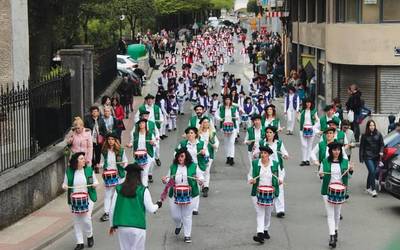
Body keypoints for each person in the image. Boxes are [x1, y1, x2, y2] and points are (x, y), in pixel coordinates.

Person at [109, 163, 162, 250]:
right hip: (138, 226)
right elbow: (151, 209)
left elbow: (112, 209)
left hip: (122, 226)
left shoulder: (118, 189)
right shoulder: (143, 190)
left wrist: (112, 225)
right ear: (139, 175)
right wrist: (158, 205)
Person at [162, 149, 204, 243]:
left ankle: (187, 235)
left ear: (186, 157)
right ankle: (178, 224)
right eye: (178, 156)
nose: (179, 158)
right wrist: (164, 180)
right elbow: (168, 179)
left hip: (190, 194)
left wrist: (200, 180)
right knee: (175, 216)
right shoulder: (173, 167)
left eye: (182, 156)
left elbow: (201, 178)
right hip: (175, 194)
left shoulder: (194, 166)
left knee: (187, 215)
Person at [318, 142, 353, 248]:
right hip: (327, 191)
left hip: (341, 191)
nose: (336, 152)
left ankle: (336, 229)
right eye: (334, 150)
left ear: (340, 151)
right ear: (331, 151)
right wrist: (321, 174)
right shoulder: (325, 162)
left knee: (337, 214)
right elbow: (320, 174)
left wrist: (351, 170)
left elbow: (349, 176)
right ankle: (332, 236)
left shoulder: (345, 162)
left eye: (338, 150)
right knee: (330, 214)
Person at [62, 152, 98, 250]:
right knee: (77, 221)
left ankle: (89, 235)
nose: (84, 160)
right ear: (76, 161)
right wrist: (64, 187)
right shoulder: (69, 171)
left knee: (86, 219)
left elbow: (95, 181)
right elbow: (64, 184)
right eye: (81, 159)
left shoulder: (89, 170)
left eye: (83, 158)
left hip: (88, 198)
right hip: (74, 200)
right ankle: (80, 242)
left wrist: (95, 184)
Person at [248, 146, 281, 244]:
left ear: (269, 155)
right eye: (261, 153)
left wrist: (280, 180)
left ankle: (265, 229)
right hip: (257, 192)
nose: (263, 155)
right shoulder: (255, 163)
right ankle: (260, 234)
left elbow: (281, 174)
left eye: (265, 153)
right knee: (260, 212)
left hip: (271, 192)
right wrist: (251, 179)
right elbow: (249, 175)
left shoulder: (275, 164)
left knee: (268, 213)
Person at [175, 127, 208, 215]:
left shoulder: (201, 143)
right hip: (185, 167)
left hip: (197, 167)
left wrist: (204, 153)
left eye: (192, 133)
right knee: (186, 184)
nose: (190, 135)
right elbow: (175, 153)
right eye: (188, 133)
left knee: (196, 185)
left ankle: (195, 208)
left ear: (196, 134)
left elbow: (207, 154)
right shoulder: (183, 144)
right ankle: (185, 203)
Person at [258, 126, 289, 218]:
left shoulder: (279, 143)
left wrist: (285, 156)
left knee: (280, 186)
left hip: (278, 168)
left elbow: (285, 152)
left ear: (274, 134)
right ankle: (268, 205)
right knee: (269, 186)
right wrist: (256, 154)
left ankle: (280, 209)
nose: (268, 134)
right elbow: (256, 153)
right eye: (267, 132)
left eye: (270, 132)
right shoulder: (262, 142)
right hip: (266, 168)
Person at [99, 133, 128, 222]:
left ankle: (121, 211)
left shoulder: (121, 150)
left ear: (115, 140)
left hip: (119, 175)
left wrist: (123, 164)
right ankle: (106, 212)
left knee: (120, 194)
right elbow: (102, 162)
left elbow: (125, 161)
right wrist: (100, 165)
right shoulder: (104, 151)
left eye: (112, 139)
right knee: (108, 195)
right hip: (109, 176)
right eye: (109, 139)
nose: (110, 141)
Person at [135, 94, 164, 166]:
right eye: (148, 99)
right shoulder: (142, 108)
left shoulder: (157, 108)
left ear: (153, 100)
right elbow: (136, 118)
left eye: (151, 99)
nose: (149, 100)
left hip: (153, 129)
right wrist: (139, 123)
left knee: (157, 146)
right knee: (145, 145)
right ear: (146, 100)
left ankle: (157, 158)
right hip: (144, 129)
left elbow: (161, 117)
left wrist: (160, 122)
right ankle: (145, 160)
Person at [127, 119, 157, 186]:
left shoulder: (150, 134)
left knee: (145, 172)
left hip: (147, 155)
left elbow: (155, 143)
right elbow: (132, 142)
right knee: (139, 172)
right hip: (137, 156)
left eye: (143, 123)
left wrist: (153, 143)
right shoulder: (135, 134)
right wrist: (130, 145)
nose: (141, 124)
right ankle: (141, 185)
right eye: (140, 123)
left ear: (145, 124)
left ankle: (145, 187)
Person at [359, 120, 384, 198]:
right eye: (370, 125)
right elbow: (361, 147)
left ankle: (367, 187)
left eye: (373, 125)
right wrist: (361, 157)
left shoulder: (379, 134)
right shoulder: (364, 135)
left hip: (376, 156)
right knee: (372, 171)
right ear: (368, 126)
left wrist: (381, 151)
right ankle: (373, 190)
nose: (372, 127)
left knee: (371, 171)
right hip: (367, 156)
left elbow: (382, 144)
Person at [198, 117, 219, 197]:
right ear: (201, 124)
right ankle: (201, 184)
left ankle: (205, 187)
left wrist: (215, 145)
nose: (206, 124)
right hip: (200, 155)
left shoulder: (212, 133)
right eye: (204, 122)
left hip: (209, 155)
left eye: (207, 122)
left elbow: (217, 142)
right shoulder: (198, 134)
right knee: (200, 171)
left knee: (207, 171)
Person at [216, 95, 240, 165]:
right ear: (224, 100)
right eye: (226, 99)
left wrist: (236, 117)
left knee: (232, 142)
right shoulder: (221, 107)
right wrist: (220, 119)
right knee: (226, 142)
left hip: (233, 127)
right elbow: (216, 115)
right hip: (224, 127)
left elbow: (237, 115)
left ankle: (232, 158)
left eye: (229, 99)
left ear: (231, 100)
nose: (228, 101)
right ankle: (228, 157)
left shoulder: (234, 107)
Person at [85, 106, 107, 173]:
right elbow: (85, 129)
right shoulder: (88, 120)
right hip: (90, 139)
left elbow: (104, 130)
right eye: (93, 112)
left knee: (98, 154)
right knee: (91, 154)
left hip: (99, 140)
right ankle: (92, 165)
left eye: (96, 111)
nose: (95, 113)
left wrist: (101, 135)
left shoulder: (101, 120)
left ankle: (97, 166)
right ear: (91, 113)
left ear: (98, 112)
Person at [299, 98, 319, 166]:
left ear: (311, 103)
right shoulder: (302, 110)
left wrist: (315, 127)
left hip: (311, 128)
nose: (308, 104)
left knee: (309, 145)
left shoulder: (314, 111)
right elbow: (298, 118)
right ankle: (303, 159)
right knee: (304, 144)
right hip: (303, 129)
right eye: (307, 102)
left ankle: (307, 160)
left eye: (309, 102)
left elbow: (317, 120)